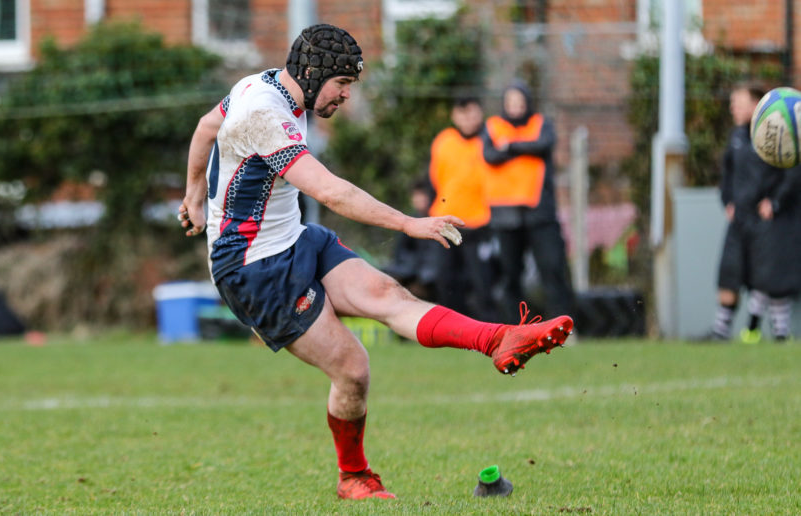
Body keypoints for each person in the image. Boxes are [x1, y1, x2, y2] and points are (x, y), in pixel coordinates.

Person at [179, 24, 574, 500]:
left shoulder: (261, 85)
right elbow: (331, 192)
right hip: (252, 268)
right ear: (312, 73)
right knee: (353, 368)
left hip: (293, 239)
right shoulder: (264, 112)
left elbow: (206, 126)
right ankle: (353, 477)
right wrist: (408, 223)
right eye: (342, 83)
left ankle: (498, 340)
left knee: (389, 294)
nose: (346, 95)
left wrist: (195, 194)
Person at [709, 84, 801, 342]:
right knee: (729, 273)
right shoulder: (737, 137)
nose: (732, 108)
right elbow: (727, 174)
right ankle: (720, 332)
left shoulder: (781, 133)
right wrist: (727, 200)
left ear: (757, 105)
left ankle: (778, 333)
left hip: (767, 219)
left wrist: (775, 201)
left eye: (738, 103)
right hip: (740, 218)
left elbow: (793, 174)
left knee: (771, 276)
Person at [481, 79, 575, 323]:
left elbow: (543, 145)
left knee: (552, 269)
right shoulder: (493, 126)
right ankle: (515, 329)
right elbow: (490, 155)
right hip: (505, 215)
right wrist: (524, 149)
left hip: (539, 213)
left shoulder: (541, 123)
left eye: (520, 100)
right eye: (511, 101)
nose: (516, 106)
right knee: (510, 275)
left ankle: (562, 325)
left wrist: (510, 146)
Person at [427, 97, 497, 320]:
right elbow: (435, 178)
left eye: (472, 113)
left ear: (480, 114)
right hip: (446, 221)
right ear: (454, 116)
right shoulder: (444, 141)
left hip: (479, 223)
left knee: (482, 281)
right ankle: (451, 328)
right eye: (463, 113)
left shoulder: (489, 141)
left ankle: (489, 329)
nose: (468, 119)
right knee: (446, 279)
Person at [383, 179, 440, 302]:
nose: (419, 200)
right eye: (416, 196)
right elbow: (400, 251)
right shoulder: (409, 221)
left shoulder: (438, 222)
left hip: (430, 273)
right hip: (412, 269)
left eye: (422, 195)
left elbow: (435, 256)